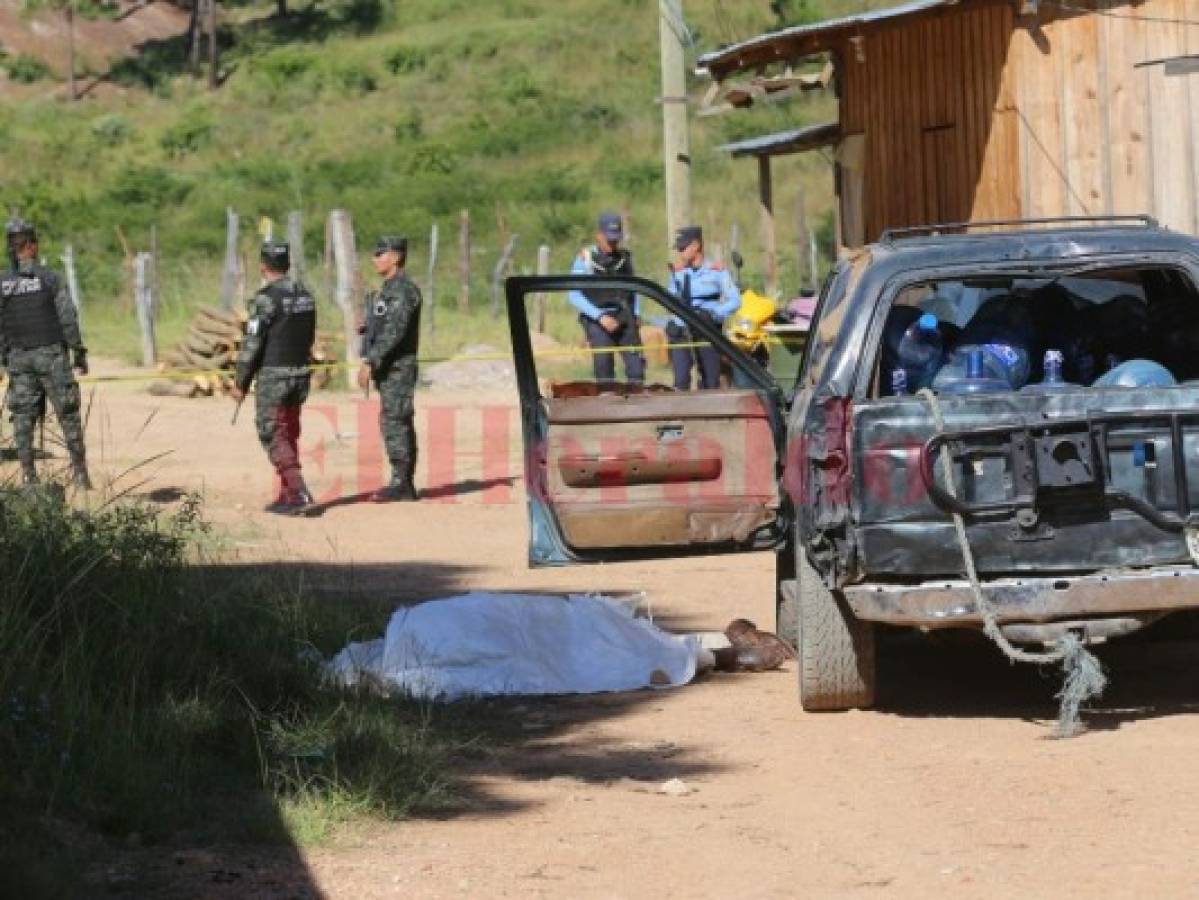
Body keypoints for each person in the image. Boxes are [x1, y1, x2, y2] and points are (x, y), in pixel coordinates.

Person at [0, 217, 91, 488]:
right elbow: (67, 319)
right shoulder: (50, 278)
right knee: (68, 412)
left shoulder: (2, 283)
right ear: (30, 246)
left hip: (18, 357)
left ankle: (29, 476)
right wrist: (79, 352)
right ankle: (80, 475)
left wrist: (3, 361)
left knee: (23, 417)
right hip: (51, 356)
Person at [232, 241, 316, 515]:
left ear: (263, 266)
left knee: (273, 433)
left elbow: (252, 343)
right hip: (300, 374)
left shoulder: (265, 299)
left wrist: (240, 382)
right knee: (289, 432)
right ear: (287, 265)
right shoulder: (306, 295)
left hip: (274, 376)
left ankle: (298, 490)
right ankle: (287, 494)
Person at [358, 235, 422, 503]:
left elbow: (396, 331)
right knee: (391, 422)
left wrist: (370, 360)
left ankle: (402, 483)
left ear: (395, 257)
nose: (375, 259)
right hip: (389, 367)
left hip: (398, 367)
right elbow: (386, 323)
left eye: (380, 253)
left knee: (396, 422)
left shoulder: (404, 290)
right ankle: (400, 479)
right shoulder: (388, 289)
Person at [568, 212, 645, 385]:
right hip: (598, 319)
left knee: (637, 369)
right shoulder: (585, 259)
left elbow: (634, 288)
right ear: (598, 236)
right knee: (604, 368)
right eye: (609, 240)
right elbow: (573, 294)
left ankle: (637, 405)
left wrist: (637, 313)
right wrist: (600, 317)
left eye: (616, 239)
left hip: (624, 316)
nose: (613, 244)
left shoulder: (625, 258)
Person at [667, 226, 741, 390]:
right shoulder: (677, 273)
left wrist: (713, 314)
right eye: (678, 249)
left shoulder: (717, 272)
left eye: (683, 248)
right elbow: (669, 301)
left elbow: (735, 300)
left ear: (696, 246)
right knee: (680, 382)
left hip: (706, 330)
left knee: (710, 380)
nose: (680, 253)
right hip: (682, 330)